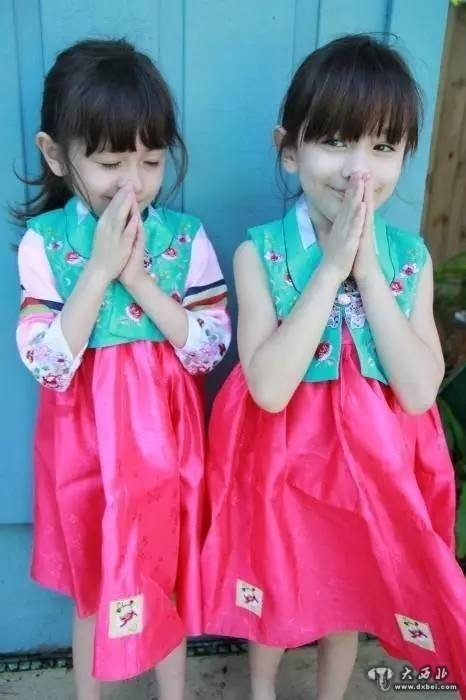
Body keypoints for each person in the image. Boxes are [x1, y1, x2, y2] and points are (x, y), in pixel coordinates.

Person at [201, 34, 466, 700]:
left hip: (368, 471)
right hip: (281, 463)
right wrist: (330, 270)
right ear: (289, 149)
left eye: (383, 147)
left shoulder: (409, 258)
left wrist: (369, 271)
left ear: (406, 155)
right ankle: (262, 690)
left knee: (349, 590)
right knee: (272, 580)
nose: (358, 170)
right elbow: (267, 387)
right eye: (336, 141)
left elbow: (417, 391)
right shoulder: (259, 254)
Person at [15, 38, 230, 700]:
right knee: (93, 580)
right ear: (57, 155)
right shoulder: (45, 243)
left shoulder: (186, 240)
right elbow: (47, 363)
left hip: (166, 441)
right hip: (85, 443)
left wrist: (139, 280)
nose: (132, 182)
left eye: (151, 160)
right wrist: (100, 271)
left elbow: (208, 347)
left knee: (166, 574)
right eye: (110, 162)